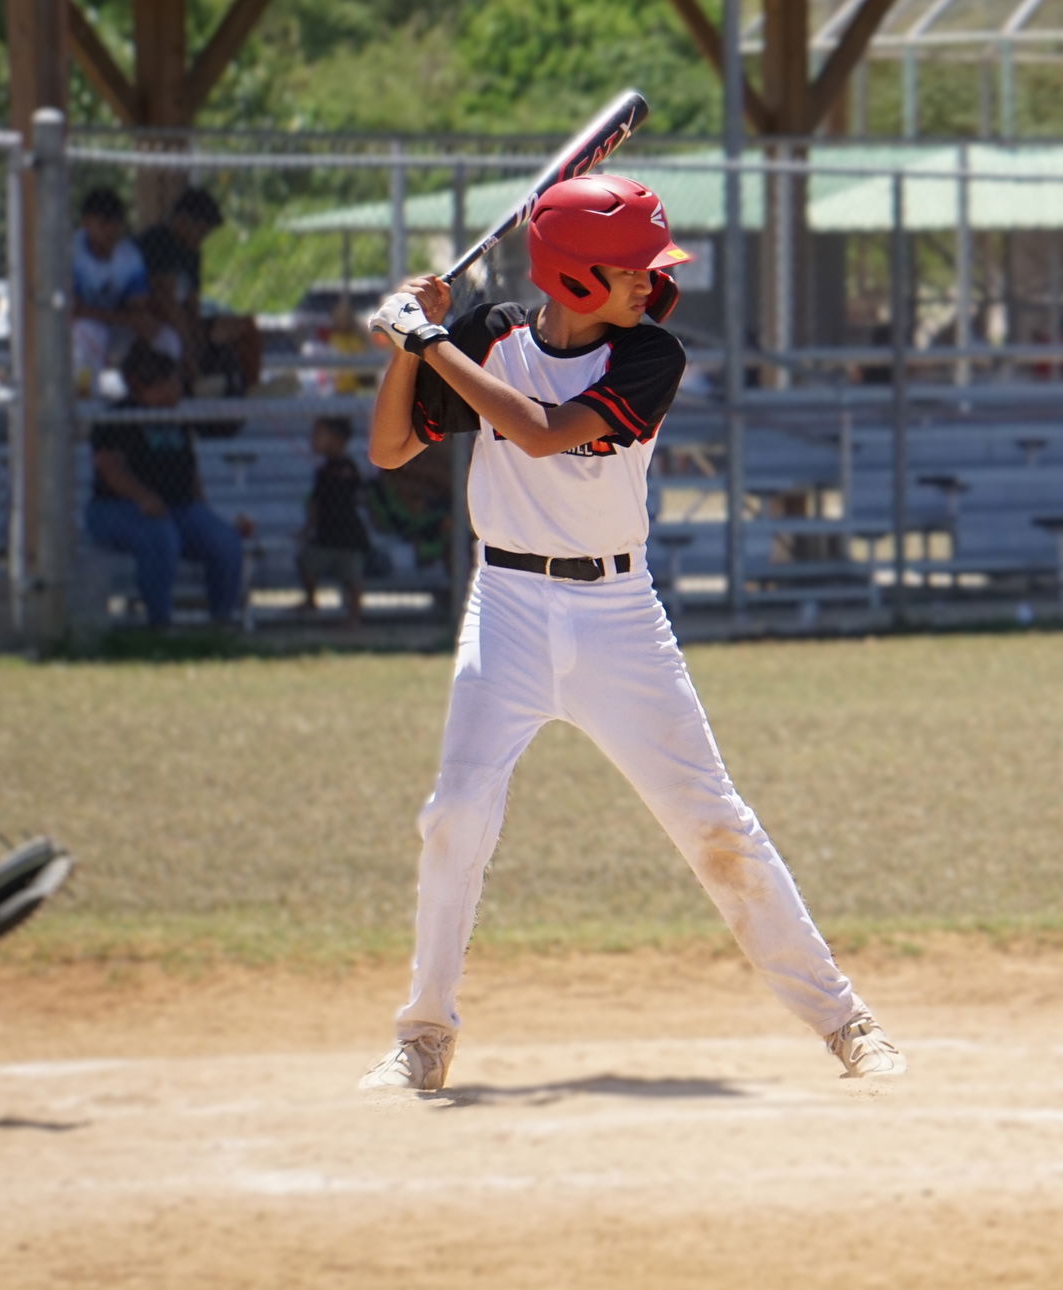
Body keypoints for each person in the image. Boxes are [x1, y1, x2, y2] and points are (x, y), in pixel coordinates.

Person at [359, 173, 905, 1091]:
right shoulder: (488, 337)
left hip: (618, 619)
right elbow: (388, 449)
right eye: (628, 270)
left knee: (714, 826)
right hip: (508, 610)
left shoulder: (652, 356)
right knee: (452, 819)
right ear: (571, 277)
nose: (649, 283)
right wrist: (410, 348)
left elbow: (540, 433)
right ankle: (423, 1036)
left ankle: (846, 1022)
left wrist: (431, 344)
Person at [86, 340, 245, 628]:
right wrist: (143, 497)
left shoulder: (178, 417)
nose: (176, 391)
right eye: (169, 384)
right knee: (161, 537)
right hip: (118, 508)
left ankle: (223, 619)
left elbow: (189, 466)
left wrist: (202, 506)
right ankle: (160, 623)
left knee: (225, 542)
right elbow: (110, 467)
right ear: (142, 386)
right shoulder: (116, 418)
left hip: (180, 507)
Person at [136, 186, 262, 396]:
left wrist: (216, 326)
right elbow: (165, 299)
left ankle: (253, 387)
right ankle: (196, 380)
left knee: (245, 322)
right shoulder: (157, 240)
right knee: (176, 316)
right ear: (183, 222)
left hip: (188, 323)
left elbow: (196, 301)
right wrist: (195, 356)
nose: (207, 240)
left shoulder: (193, 253)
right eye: (204, 232)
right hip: (154, 318)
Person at [70, 186, 180, 392]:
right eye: (103, 223)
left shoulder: (129, 256)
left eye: (116, 223)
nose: (111, 230)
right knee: (90, 331)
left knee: (167, 339)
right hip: (74, 334)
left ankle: (151, 399)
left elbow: (137, 307)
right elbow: (74, 310)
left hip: (115, 329)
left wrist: (140, 322)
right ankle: (87, 407)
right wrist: (126, 318)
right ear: (85, 223)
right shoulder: (71, 252)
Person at [297, 415, 371, 626]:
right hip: (325, 535)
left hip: (350, 537)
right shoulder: (322, 472)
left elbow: (359, 495)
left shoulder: (348, 468)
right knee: (306, 562)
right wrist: (306, 530)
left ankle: (354, 617)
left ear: (337, 439)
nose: (312, 440)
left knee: (353, 577)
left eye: (318, 434)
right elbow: (315, 505)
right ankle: (311, 600)